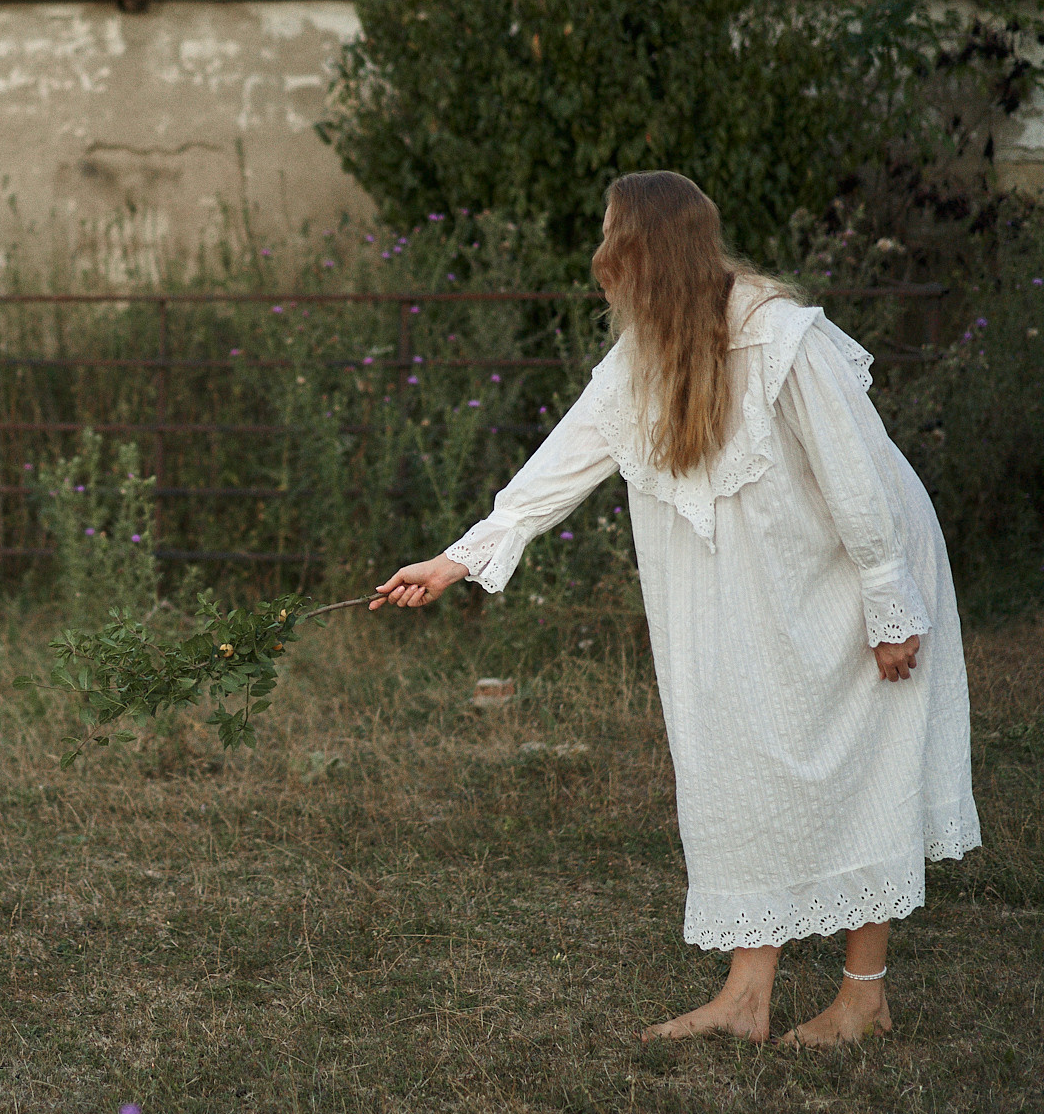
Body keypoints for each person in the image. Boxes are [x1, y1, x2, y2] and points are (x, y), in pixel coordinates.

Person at [370, 171, 979, 1046]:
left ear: (640, 254)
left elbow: (857, 475)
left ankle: (863, 999)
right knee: (735, 755)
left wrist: (891, 605)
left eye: (611, 238)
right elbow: (559, 466)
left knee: (863, 758)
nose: (597, 260)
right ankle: (745, 995)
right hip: (756, 585)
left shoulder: (779, 337)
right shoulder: (640, 359)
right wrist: (457, 560)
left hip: (862, 556)